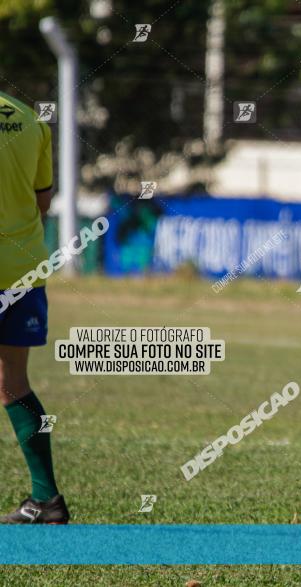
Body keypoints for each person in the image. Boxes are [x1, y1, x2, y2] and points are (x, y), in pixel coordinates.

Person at [0, 91, 69, 524]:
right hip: (22, 269)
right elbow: (43, 203)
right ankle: (47, 500)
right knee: (12, 383)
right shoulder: (29, 117)